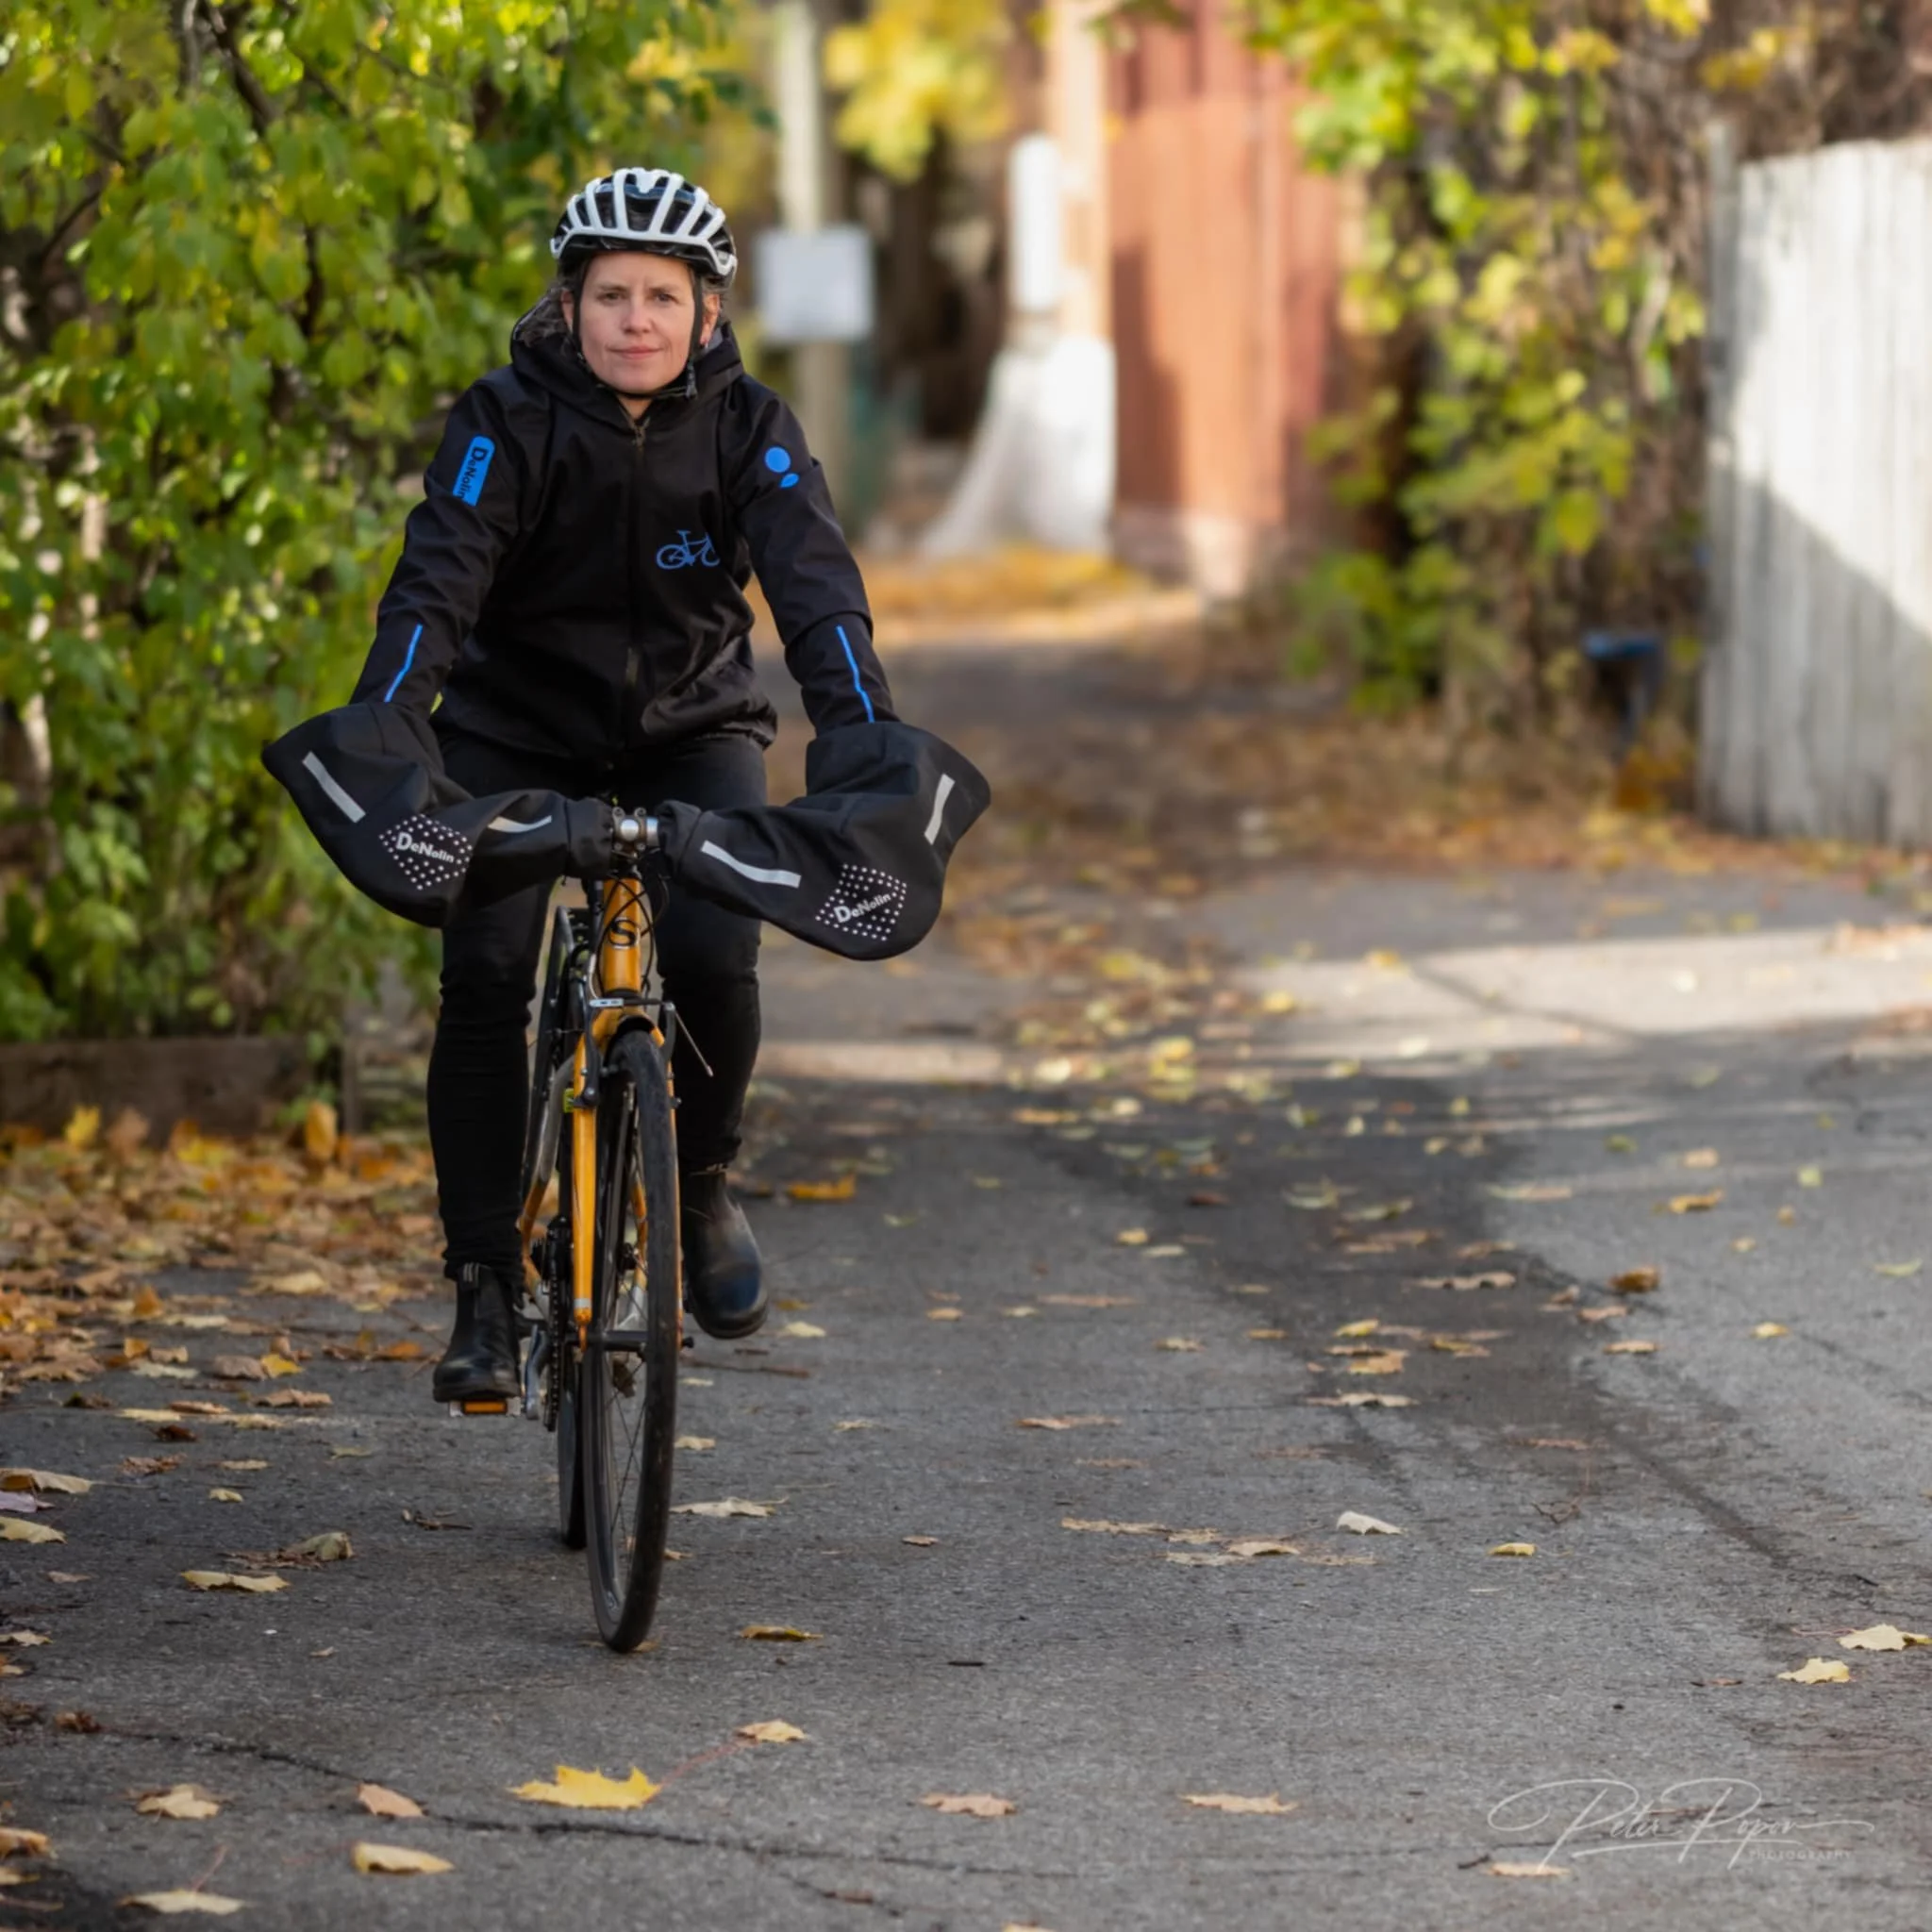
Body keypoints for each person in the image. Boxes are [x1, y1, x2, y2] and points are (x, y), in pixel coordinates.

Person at [347, 167, 896, 1405]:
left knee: (714, 954)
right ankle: (485, 1283)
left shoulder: (751, 426)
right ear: (571, 303)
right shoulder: (503, 418)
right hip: (513, 733)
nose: (635, 321)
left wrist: (865, 732)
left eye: (662, 296)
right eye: (610, 296)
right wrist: (388, 720)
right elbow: (437, 578)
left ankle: (699, 1190)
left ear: (708, 313)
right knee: (484, 972)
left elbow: (815, 587)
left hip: (690, 728)